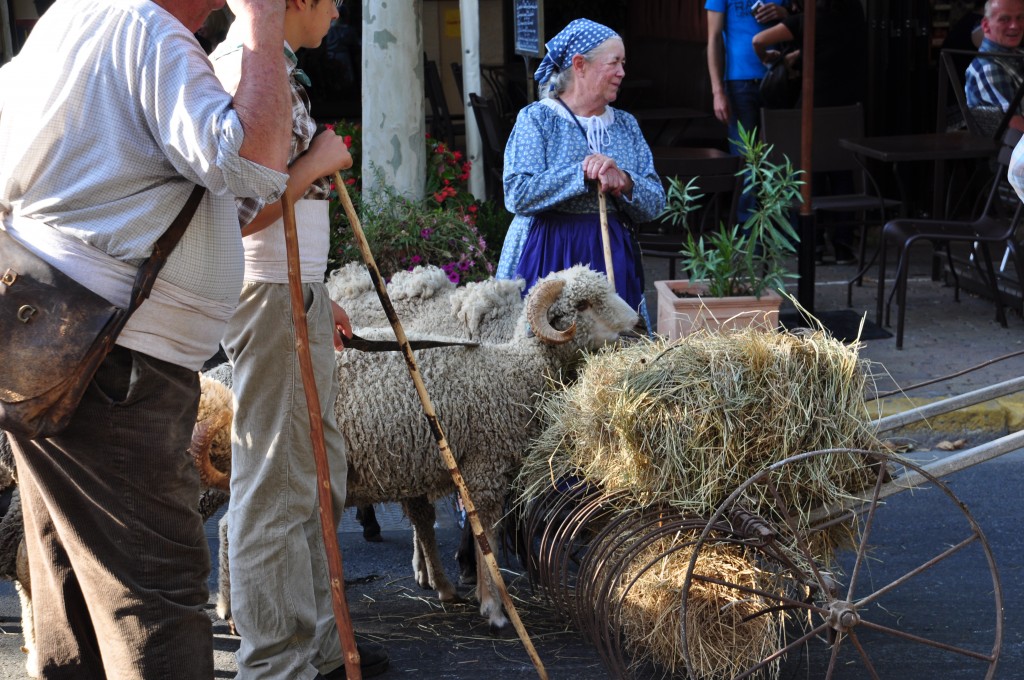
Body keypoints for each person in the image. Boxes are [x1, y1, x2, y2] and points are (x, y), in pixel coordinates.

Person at [0, 0, 291, 675]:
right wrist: (263, 22)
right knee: (152, 599)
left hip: (56, 337)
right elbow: (251, 161)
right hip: (112, 358)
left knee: (71, 584)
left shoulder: (74, 19)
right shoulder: (146, 30)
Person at [209, 1, 389, 677]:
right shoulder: (245, 69)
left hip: (292, 291)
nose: (340, 9)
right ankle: (276, 661)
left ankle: (315, 641)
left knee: (316, 470)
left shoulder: (277, 68)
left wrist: (318, 292)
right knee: (276, 481)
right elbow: (234, 215)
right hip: (264, 295)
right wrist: (314, 165)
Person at [496, 18, 665, 329]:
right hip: (548, 253)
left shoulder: (625, 125)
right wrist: (581, 173)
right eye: (614, 62)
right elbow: (518, 193)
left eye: (623, 63)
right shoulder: (538, 120)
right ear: (579, 65)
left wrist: (623, 181)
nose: (622, 72)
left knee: (613, 356)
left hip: (610, 256)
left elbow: (655, 202)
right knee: (542, 355)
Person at [751, 0, 868, 265]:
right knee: (842, 175)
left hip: (813, 111)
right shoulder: (855, 17)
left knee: (809, 176)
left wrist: (771, 58)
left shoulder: (808, 21)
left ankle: (812, 245)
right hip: (848, 110)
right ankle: (843, 246)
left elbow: (759, 39)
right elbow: (832, 52)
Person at [965, 0, 1024, 134]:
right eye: (1005, 19)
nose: (1015, 26)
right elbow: (1015, 126)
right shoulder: (989, 67)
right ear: (986, 25)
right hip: (1014, 151)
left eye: (1020, 18)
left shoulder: (1017, 54)